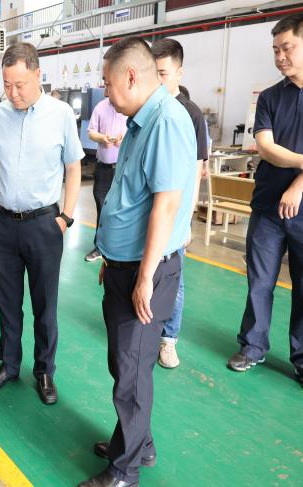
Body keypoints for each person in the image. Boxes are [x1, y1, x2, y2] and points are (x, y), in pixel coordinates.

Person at [74, 37, 196, 487]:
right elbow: (130, 196)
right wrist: (112, 256)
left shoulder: (166, 121)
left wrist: (143, 276)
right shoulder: (141, 121)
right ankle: (137, 443)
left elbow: (165, 206)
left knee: (131, 372)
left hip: (149, 272)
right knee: (125, 363)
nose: (105, 93)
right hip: (124, 266)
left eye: (108, 83)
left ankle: (124, 469)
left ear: (130, 76)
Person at [0, 43, 83, 405]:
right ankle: (9, 365)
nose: (13, 92)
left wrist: (65, 217)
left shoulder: (61, 114)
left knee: (44, 305)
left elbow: (73, 167)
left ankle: (44, 371)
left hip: (44, 225)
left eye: (19, 84)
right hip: (3, 224)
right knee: (8, 302)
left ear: (38, 75)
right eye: (7, 85)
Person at [228, 13, 303, 385]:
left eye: (287, 48)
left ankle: (301, 358)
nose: (280, 57)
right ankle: (252, 346)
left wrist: (299, 184)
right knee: (259, 281)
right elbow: (266, 147)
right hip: (268, 207)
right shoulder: (271, 97)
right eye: (275, 50)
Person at [152, 38, 208, 369]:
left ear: (179, 72)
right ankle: (147, 329)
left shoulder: (191, 113)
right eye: (153, 72)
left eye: (163, 73)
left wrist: (186, 220)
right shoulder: (148, 108)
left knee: (175, 278)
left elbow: (196, 171)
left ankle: (168, 339)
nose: (158, 80)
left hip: (175, 214)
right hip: (150, 210)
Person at [84, 97, 127, 262]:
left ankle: (120, 248)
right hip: (104, 168)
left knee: (123, 208)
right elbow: (91, 132)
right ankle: (100, 247)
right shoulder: (101, 107)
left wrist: (124, 138)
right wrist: (102, 138)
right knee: (102, 206)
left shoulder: (129, 106)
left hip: (124, 169)